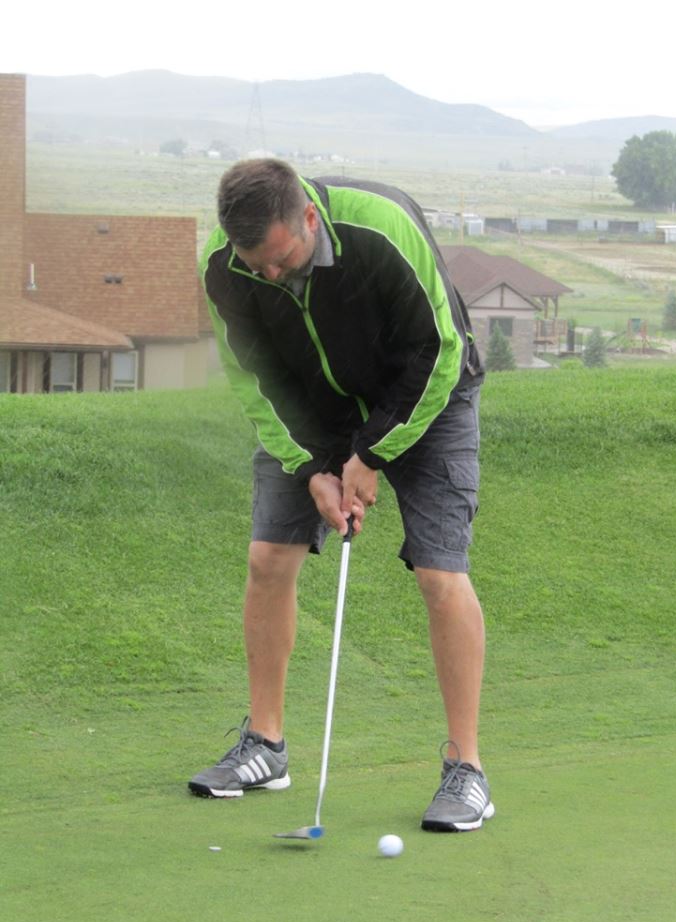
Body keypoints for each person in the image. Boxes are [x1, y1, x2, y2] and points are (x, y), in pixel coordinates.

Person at [189, 159, 494, 832]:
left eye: (282, 258)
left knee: (440, 573)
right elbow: (255, 379)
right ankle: (265, 745)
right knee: (269, 557)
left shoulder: (380, 227)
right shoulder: (223, 265)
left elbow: (439, 351)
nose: (271, 274)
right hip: (313, 412)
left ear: (307, 217)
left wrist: (371, 454)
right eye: (257, 264)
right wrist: (312, 468)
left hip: (428, 398)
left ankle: (466, 769)